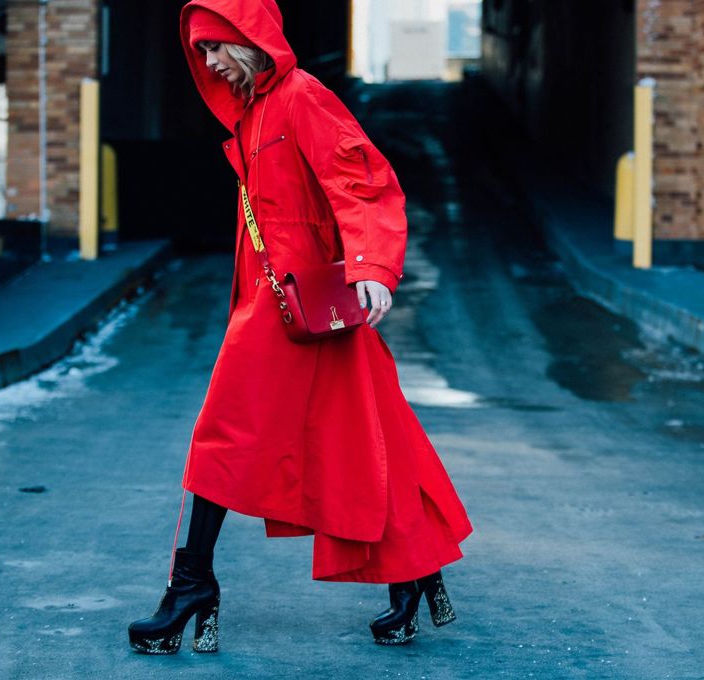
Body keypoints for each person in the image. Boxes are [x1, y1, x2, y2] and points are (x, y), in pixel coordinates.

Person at [127, 0, 472, 654]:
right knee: (374, 438)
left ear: (245, 37)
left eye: (213, 48)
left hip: (301, 305)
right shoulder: (257, 110)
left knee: (222, 436)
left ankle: (192, 583)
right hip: (289, 304)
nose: (208, 63)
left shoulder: (301, 98)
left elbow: (360, 179)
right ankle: (418, 574)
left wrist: (372, 265)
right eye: (199, 54)